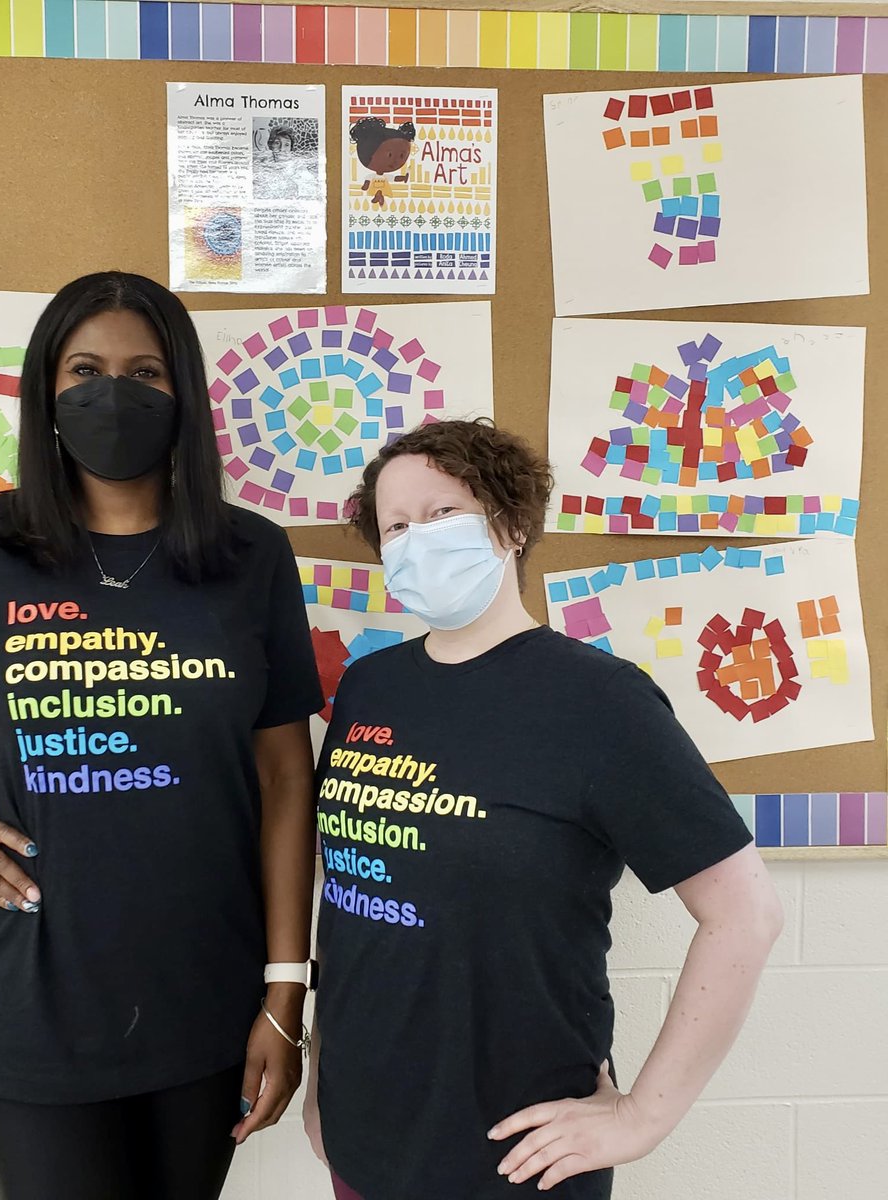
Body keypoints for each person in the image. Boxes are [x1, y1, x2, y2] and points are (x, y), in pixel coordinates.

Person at [0, 271, 323, 1200]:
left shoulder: (251, 556)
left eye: (145, 372)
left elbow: (287, 779)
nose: (111, 394)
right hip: (36, 1007)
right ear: (46, 390)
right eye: (84, 369)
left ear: (185, 396)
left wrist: (286, 992)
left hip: (208, 995)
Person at [302, 418, 783, 1199]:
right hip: (365, 1127)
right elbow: (356, 898)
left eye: (443, 514)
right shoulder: (370, 687)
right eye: (395, 526)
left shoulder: (599, 700)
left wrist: (642, 1117)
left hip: (518, 1152)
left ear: (514, 524)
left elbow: (746, 913)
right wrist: (324, 1069)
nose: (416, 539)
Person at [349, 117, 416, 207]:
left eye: (402, 156)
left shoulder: (385, 177)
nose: (395, 161)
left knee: (382, 191)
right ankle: (378, 195)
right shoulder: (372, 176)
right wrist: (365, 185)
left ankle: (379, 196)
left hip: (384, 189)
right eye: (390, 155)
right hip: (374, 188)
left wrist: (404, 178)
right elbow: (367, 180)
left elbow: (394, 178)